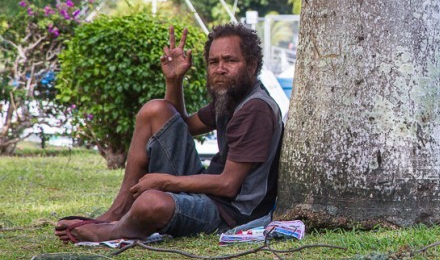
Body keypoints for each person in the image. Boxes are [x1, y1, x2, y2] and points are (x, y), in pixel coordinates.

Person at [55, 23, 283, 243]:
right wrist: (174, 80)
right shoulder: (231, 96)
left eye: (230, 60)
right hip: (210, 194)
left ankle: (111, 231)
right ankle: (116, 212)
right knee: (155, 110)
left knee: (151, 203)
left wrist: (165, 182)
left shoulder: (256, 109)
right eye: (213, 62)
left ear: (252, 65)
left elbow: (228, 185)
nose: (220, 69)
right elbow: (182, 125)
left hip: (231, 213)